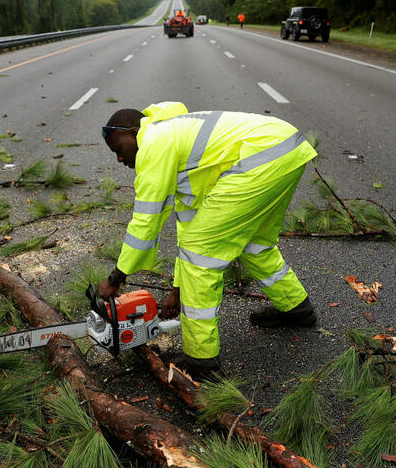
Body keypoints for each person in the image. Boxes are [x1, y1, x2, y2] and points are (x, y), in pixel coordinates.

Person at [97, 102, 318, 379]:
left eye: (118, 149)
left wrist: (116, 277)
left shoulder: (153, 142)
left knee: (199, 257)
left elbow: (145, 220)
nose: (119, 159)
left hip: (261, 156)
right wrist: (178, 289)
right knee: (253, 243)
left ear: (134, 132)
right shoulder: (177, 146)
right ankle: (297, 308)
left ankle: (201, 361)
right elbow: (188, 226)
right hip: (286, 147)